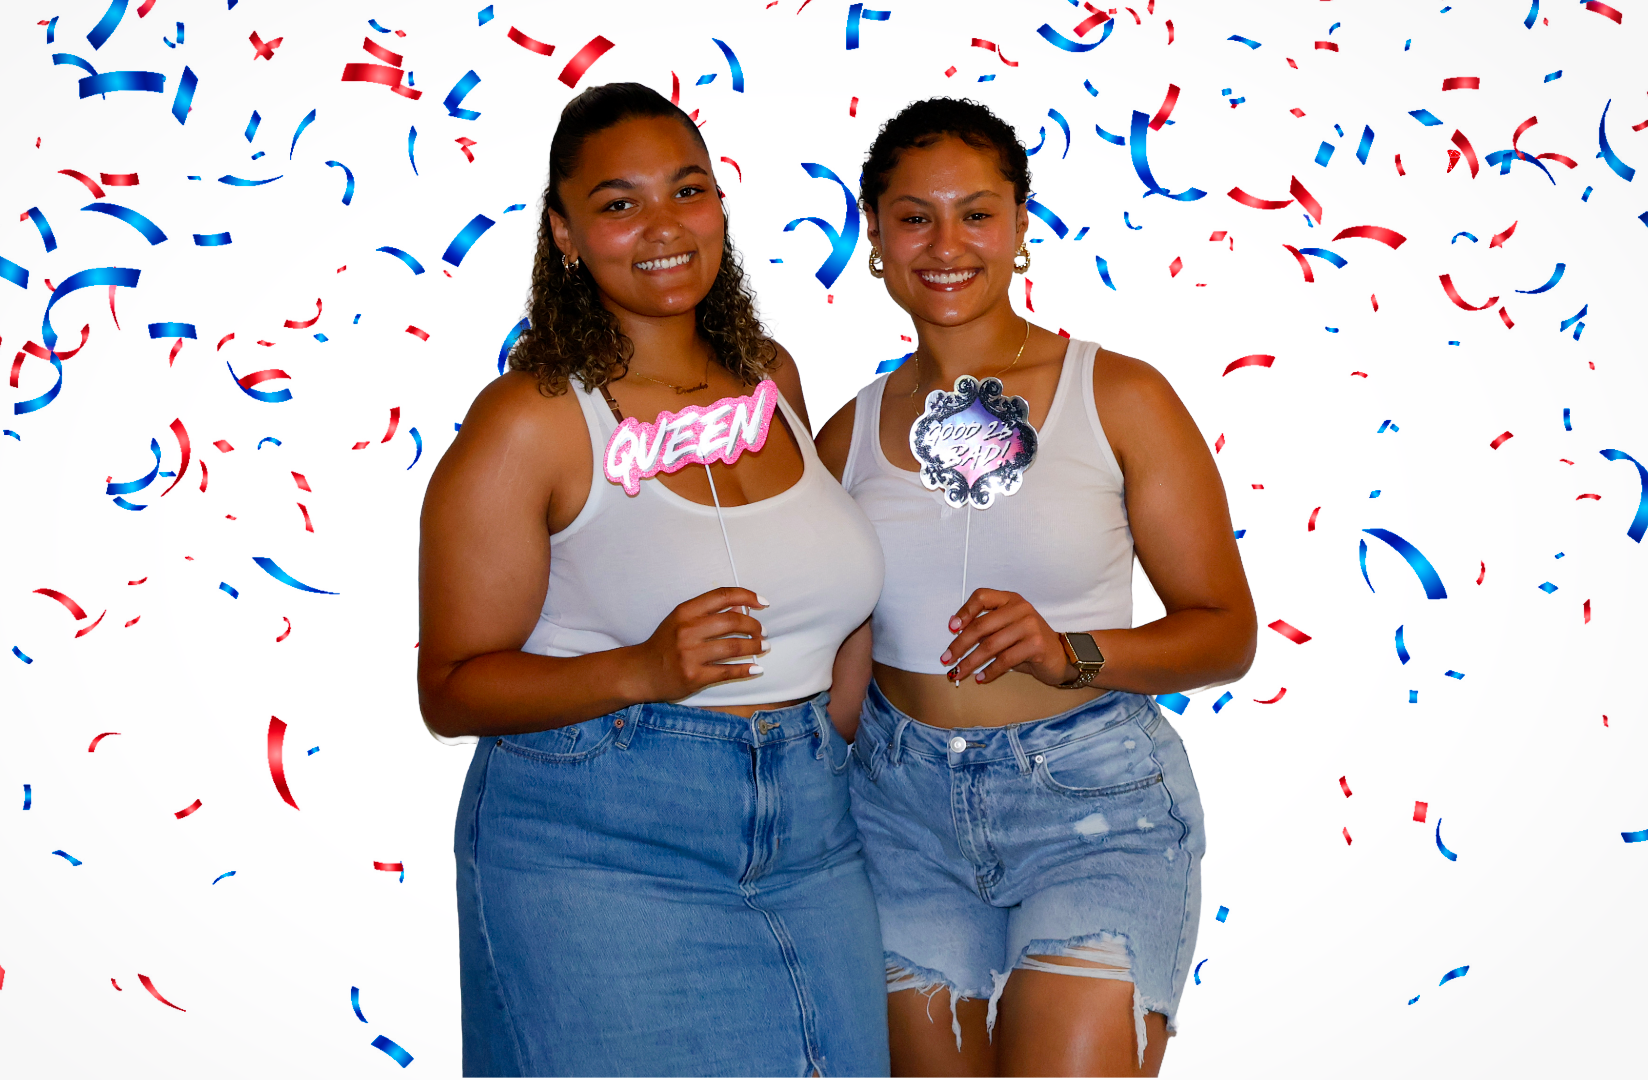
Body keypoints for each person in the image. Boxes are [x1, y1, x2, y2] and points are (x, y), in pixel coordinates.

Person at [418, 82, 889, 1077]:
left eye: (688, 189)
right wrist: (642, 669)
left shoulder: (770, 377)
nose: (664, 226)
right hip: (602, 847)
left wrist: (824, 742)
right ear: (564, 232)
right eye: (619, 203)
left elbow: (833, 594)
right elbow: (451, 688)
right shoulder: (533, 419)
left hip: (813, 837)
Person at [814, 97, 1257, 1077]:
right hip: (898, 819)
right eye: (914, 217)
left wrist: (1072, 653)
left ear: (1020, 225)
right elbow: (832, 663)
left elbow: (1226, 632)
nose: (946, 245)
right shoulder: (844, 436)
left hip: (1092, 808)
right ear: (875, 233)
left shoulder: (1122, 396)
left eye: (977, 213)